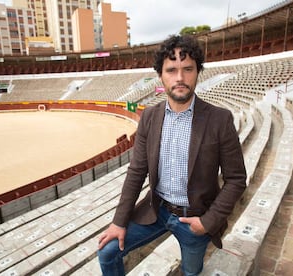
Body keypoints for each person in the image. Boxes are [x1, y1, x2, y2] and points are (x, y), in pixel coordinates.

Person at [97, 34, 247, 276]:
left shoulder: (220, 119)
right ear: (160, 75)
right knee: (107, 252)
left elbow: (237, 179)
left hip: (195, 219)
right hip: (156, 210)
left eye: (188, 69)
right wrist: (119, 221)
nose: (180, 78)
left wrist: (207, 222)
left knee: (191, 272)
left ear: (198, 72)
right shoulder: (149, 117)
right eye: (171, 70)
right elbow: (137, 171)